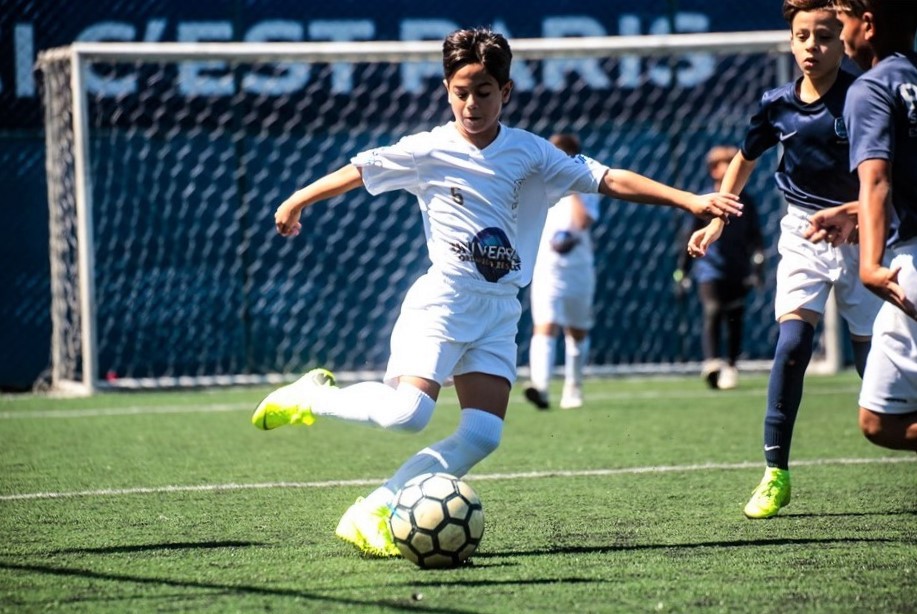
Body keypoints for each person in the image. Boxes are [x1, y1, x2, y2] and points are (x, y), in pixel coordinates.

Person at [252, 27, 743, 558]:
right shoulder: (429, 149)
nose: (471, 103)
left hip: (500, 310)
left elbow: (609, 179)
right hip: (443, 303)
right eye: (461, 91)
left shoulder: (532, 153)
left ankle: (373, 509)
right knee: (407, 414)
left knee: (483, 435)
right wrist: (297, 200)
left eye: (483, 92)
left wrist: (689, 200)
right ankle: (314, 396)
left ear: (505, 92)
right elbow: (359, 169)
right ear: (446, 89)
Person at [687, 0, 883, 519]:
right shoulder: (776, 104)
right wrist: (716, 219)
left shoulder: (867, 94)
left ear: (843, 40)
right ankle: (775, 472)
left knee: (875, 359)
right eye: (802, 36)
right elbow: (745, 159)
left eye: (823, 36)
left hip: (862, 230)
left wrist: (861, 216)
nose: (811, 47)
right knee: (792, 342)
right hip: (801, 233)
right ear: (790, 41)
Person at [805, 0, 917, 453]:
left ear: (867, 25)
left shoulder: (869, 88)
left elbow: (877, 179)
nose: (839, 31)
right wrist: (854, 212)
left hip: (908, 263)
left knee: (879, 421)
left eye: (842, 22)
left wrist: (870, 264)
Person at [674, 145, 764, 390]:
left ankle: (732, 365)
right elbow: (688, 237)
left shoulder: (746, 203)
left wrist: (757, 268)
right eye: (720, 165)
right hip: (710, 268)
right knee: (713, 310)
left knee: (735, 315)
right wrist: (682, 271)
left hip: (738, 267)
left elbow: (755, 237)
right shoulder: (704, 200)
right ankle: (712, 361)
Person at [523, 133, 601, 410]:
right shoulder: (538, 187)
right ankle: (540, 387)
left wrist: (574, 188)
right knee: (544, 326)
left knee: (576, 331)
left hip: (577, 269)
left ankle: (573, 387)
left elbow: (582, 222)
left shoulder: (586, 187)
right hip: (547, 268)